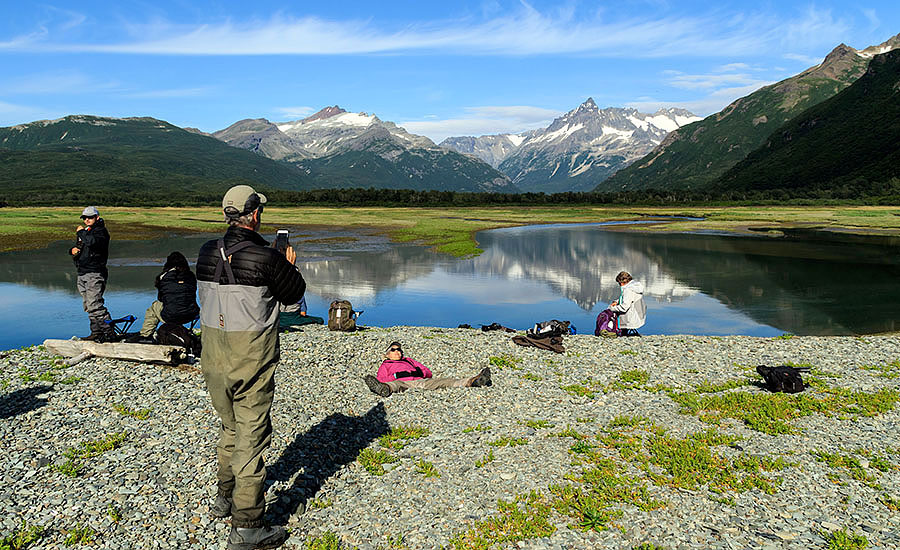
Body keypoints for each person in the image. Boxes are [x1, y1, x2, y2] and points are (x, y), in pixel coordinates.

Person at [196, 185, 306, 550]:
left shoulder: (206, 251)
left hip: (212, 355)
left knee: (229, 428)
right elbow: (293, 296)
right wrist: (287, 264)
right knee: (251, 438)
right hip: (251, 359)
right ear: (255, 215)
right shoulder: (267, 258)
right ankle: (247, 526)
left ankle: (223, 498)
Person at [363, 341, 492, 397]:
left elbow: (428, 372)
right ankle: (384, 391)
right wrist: (396, 376)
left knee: (444, 381)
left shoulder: (409, 361)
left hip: (420, 381)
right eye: (394, 349)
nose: (398, 352)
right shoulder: (386, 365)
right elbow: (381, 379)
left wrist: (420, 372)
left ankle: (473, 381)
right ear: (387, 354)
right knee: (394, 385)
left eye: (399, 350)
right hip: (402, 382)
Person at [131, 251, 200, 344]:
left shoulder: (163, 276)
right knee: (182, 303)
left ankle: (145, 335)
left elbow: (161, 298)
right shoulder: (191, 276)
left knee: (154, 306)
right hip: (191, 314)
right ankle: (182, 332)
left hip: (170, 315)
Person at [69, 206, 115, 342]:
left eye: (90, 217)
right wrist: (72, 251)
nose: (87, 220)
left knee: (95, 304)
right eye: (85, 218)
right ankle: (96, 332)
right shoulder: (87, 232)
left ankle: (110, 333)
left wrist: (81, 232)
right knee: (88, 306)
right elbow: (81, 248)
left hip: (95, 272)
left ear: (97, 218)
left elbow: (92, 242)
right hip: (82, 272)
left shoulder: (101, 232)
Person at [608, 271, 647, 336]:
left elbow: (624, 307)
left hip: (631, 319)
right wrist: (617, 301)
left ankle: (620, 331)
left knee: (613, 312)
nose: (619, 285)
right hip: (639, 315)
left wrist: (611, 308)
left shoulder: (628, 290)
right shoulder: (634, 286)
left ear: (622, 282)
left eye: (619, 283)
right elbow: (631, 299)